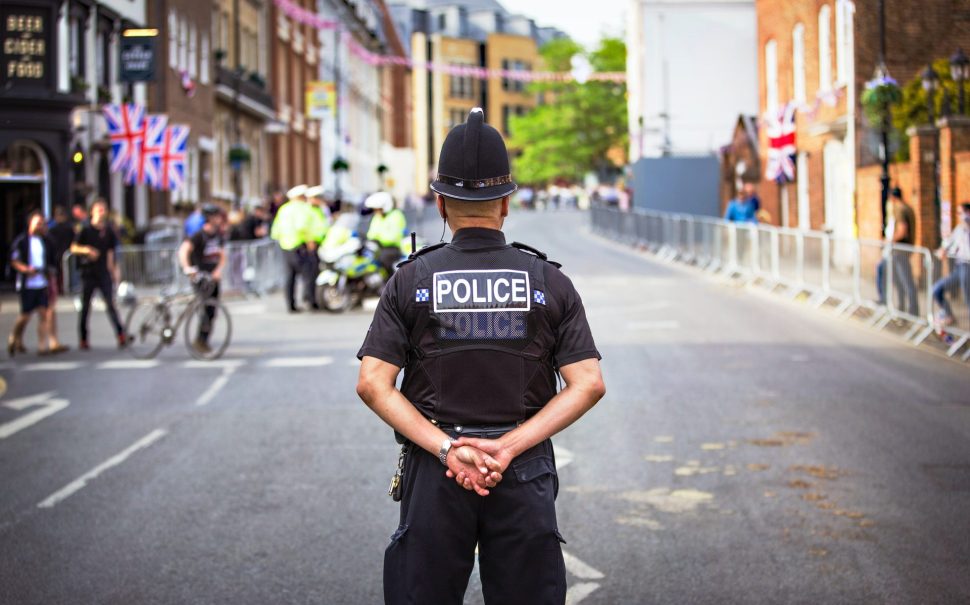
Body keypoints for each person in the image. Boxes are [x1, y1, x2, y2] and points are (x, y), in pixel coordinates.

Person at [356, 108, 606, 605]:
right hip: (523, 468)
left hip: (435, 467)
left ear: (442, 202)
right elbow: (588, 382)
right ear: (506, 202)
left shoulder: (410, 279)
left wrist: (449, 449)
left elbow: (372, 383)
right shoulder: (548, 281)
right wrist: (510, 447)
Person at [71, 199, 127, 349]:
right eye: (99, 209)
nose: (102, 212)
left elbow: (110, 253)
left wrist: (114, 272)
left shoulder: (108, 230)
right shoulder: (85, 228)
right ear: (92, 212)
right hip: (88, 272)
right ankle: (83, 339)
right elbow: (74, 247)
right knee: (85, 307)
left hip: (103, 273)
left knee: (110, 304)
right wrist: (87, 250)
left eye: (104, 209)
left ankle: (121, 335)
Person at [179, 204, 227, 354]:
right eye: (217, 216)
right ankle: (200, 340)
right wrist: (188, 269)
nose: (220, 219)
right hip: (201, 278)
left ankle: (203, 340)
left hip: (213, 279)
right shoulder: (198, 235)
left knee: (212, 311)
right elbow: (183, 250)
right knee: (205, 310)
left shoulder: (218, 236)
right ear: (210, 218)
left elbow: (222, 255)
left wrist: (218, 270)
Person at [8, 211, 54, 356]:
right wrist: (26, 270)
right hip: (27, 283)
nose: (40, 226)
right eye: (37, 223)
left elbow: (51, 259)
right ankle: (14, 337)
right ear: (30, 223)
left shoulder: (45, 241)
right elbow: (14, 260)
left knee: (43, 313)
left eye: (42, 223)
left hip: (41, 282)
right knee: (25, 315)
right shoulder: (22, 241)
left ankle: (42, 346)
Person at [270, 185, 318, 312]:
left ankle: (290, 304)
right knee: (308, 274)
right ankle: (310, 301)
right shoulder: (303, 208)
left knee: (289, 277)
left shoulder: (283, 209)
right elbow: (302, 226)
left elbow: (275, 231)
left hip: (285, 246)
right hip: (300, 245)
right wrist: (309, 241)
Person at [876, 187, 918, 315]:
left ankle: (911, 311)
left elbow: (902, 230)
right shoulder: (908, 208)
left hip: (899, 250)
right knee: (899, 280)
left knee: (904, 281)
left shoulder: (900, 209)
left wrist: (890, 241)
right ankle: (902, 308)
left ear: (892, 197)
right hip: (903, 249)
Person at [932, 202, 970, 328]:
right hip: (959, 267)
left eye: (961, 212)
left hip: (967, 266)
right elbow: (948, 244)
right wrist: (943, 250)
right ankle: (949, 315)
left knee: (967, 299)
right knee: (937, 289)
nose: (959, 216)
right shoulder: (959, 229)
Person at [364, 191, 407, 276]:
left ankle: (389, 282)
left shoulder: (396, 215)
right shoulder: (377, 217)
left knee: (384, 258)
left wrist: (378, 237)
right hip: (377, 247)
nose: (376, 211)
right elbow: (370, 234)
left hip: (392, 248)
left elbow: (394, 237)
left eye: (378, 208)